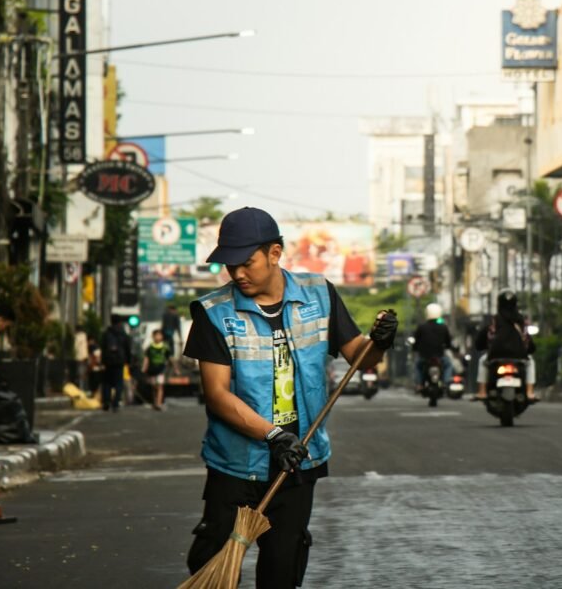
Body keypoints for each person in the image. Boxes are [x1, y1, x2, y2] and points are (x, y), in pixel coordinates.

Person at [182, 207, 397, 588]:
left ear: (275, 254)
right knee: (211, 560)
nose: (238, 274)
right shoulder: (213, 314)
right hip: (236, 466)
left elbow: (360, 359)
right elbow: (216, 395)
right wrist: (274, 436)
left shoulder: (319, 294)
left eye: (246, 263)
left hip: (298, 463)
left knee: (284, 566)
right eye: (230, 265)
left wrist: (380, 341)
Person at [474, 290, 536, 400]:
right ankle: (530, 391)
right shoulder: (521, 320)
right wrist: (529, 350)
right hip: (520, 357)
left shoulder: (493, 320)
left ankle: (482, 391)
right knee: (531, 362)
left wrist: (482, 346)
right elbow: (528, 342)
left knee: (481, 361)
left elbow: (480, 341)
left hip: (495, 357)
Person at [411, 302, 454, 392]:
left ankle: (419, 384)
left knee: (417, 366)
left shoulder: (421, 327)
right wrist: (448, 347)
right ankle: (446, 382)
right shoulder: (443, 327)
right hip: (440, 356)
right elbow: (448, 342)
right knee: (448, 365)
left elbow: (416, 341)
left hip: (424, 356)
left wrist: (414, 349)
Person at [100, 315, 132, 412]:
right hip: (120, 361)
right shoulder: (123, 334)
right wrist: (128, 361)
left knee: (107, 382)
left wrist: (103, 361)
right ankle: (116, 402)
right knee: (119, 382)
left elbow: (103, 347)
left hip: (108, 361)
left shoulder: (106, 333)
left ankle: (106, 401)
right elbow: (128, 348)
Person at [142, 328, 171, 410]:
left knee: (160, 386)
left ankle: (158, 403)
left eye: (159, 335)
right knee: (153, 386)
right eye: (156, 335)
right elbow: (146, 358)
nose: (158, 337)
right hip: (152, 369)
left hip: (161, 369)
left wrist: (174, 368)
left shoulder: (165, 346)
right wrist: (144, 367)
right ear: (153, 336)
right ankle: (155, 402)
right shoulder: (150, 347)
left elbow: (169, 357)